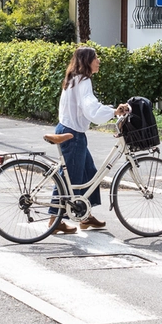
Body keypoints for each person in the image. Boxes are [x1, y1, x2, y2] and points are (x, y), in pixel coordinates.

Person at [50, 46, 129, 233]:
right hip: (73, 135)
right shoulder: (83, 81)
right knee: (69, 180)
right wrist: (113, 112)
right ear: (87, 61)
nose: (99, 61)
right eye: (96, 58)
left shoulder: (73, 79)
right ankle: (55, 220)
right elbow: (90, 108)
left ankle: (84, 216)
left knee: (89, 174)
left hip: (70, 131)